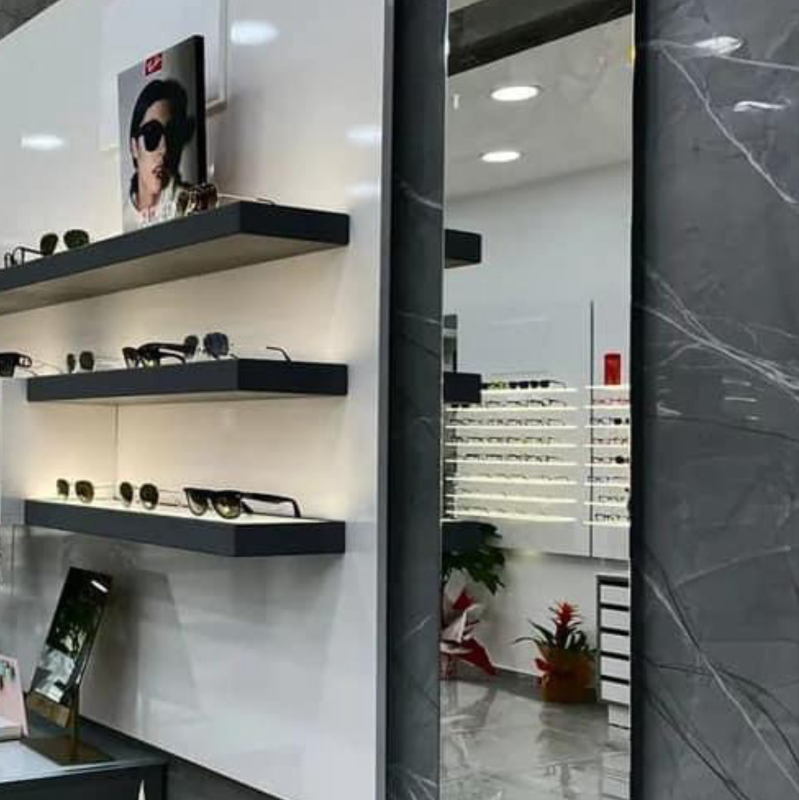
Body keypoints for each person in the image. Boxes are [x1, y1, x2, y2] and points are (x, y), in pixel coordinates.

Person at [124, 79, 196, 230]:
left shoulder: (190, 206)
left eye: (171, 134)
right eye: (152, 134)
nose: (164, 149)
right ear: (134, 146)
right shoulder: (123, 218)